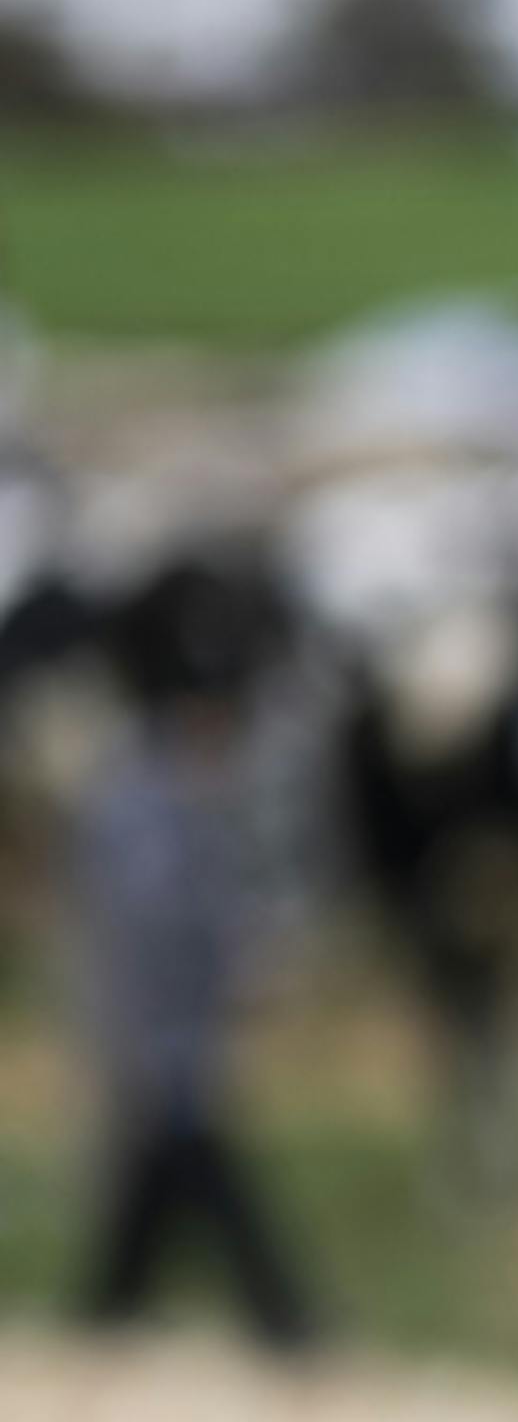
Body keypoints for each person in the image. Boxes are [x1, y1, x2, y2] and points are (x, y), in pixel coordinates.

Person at [75, 561, 318, 1350]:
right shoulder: (142, 798)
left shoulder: (179, 793)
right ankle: (282, 1322)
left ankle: (109, 1317)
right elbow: (150, 925)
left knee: (157, 1186)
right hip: (159, 1031)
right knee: (199, 1170)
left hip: (176, 1031)